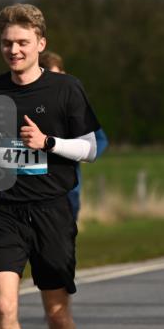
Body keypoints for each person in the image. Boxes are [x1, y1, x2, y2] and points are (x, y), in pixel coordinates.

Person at [0, 4, 102, 329]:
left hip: (52, 210)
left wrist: (48, 142)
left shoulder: (66, 89)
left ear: (40, 45)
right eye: (8, 43)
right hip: (7, 211)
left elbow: (91, 148)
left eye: (23, 43)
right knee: (3, 304)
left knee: (56, 311)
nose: (14, 50)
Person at [40, 50, 109, 220]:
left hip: (68, 190)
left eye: (56, 76)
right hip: (35, 192)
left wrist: (82, 154)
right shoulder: (29, 105)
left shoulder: (74, 105)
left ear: (64, 74)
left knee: (63, 244)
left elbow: (100, 140)